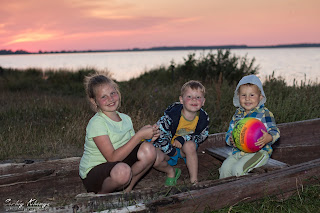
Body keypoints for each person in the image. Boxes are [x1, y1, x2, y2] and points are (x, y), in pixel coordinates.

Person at [79, 73, 179, 194]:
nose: (110, 99)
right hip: (96, 174)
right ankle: (100, 197)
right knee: (123, 171)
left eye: (112, 93)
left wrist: (149, 138)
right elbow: (112, 158)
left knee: (148, 150)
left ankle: (127, 190)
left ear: (118, 93)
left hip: (120, 166)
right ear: (94, 101)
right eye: (103, 97)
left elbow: (131, 148)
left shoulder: (126, 119)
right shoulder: (97, 123)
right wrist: (139, 136)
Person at [219, 75, 280, 179]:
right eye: (243, 95)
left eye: (252, 95)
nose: (247, 98)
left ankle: (245, 192)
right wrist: (231, 139)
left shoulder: (264, 113)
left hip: (259, 152)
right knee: (224, 169)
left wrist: (268, 138)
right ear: (238, 96)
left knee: (237, 170)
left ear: (260, 97)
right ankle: (226, 191)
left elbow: (275, 131)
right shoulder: (237, 115)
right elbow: (230, 132)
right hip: (238, 152)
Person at [153, 80, 209, 184]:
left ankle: (194, 181)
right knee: (154, 157)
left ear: (203, 101)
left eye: (198, 97)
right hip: (167, 148)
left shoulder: (203, 118)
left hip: (185, 149)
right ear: (181, 100)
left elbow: (203, 136)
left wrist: (183, 139)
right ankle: (171, 171)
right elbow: (160, 134)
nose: (194, 100)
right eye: (189, 97)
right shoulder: (171, 116)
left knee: (190, 146)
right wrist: (170, 151)